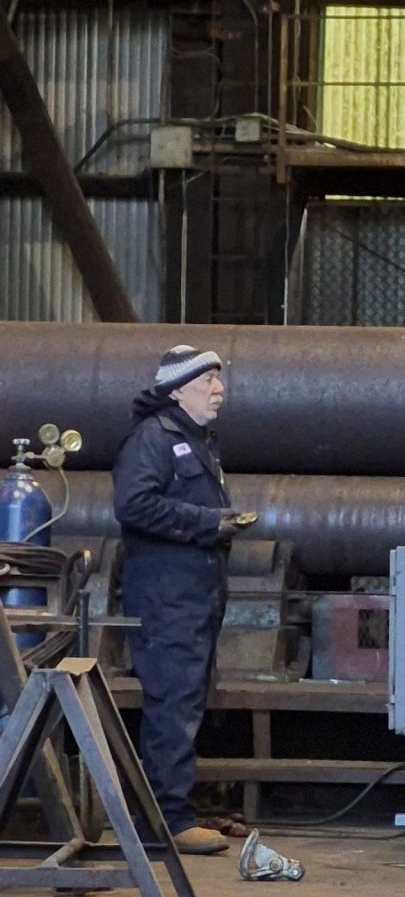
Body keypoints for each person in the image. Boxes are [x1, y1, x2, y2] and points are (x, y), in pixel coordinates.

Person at [111, 342, 257, 856]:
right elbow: (133, 505)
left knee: (186, 703)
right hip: (167, 600)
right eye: (207, 382)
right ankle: (168, 822)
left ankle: (171, 814)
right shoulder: (154, 438)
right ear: (177, 392)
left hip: (193, 598)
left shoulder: (197, 442)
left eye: (218, 380)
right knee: (172, 706)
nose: (219, 390)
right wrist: (209, 522)